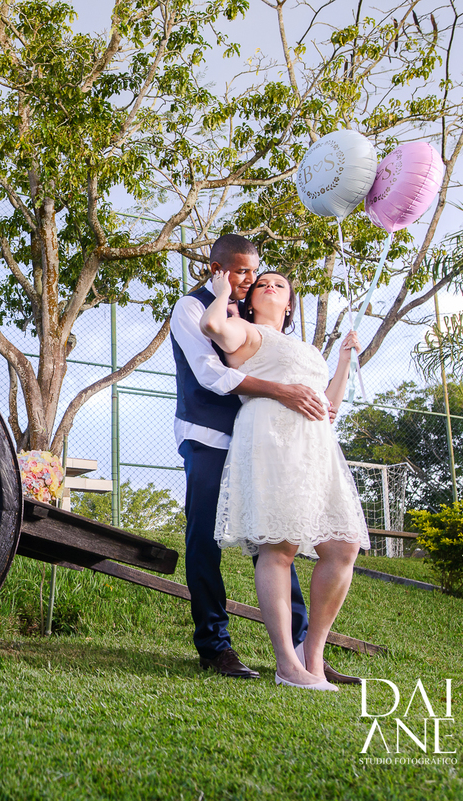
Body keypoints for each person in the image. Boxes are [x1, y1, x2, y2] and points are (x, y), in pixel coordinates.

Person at [170, 234, 336, 681]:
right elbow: (212, 375)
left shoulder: (250, 314)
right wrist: (283, 391)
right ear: (216, 269)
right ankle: (214, 646)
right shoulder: (191, 308)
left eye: (253, 270)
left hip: (259, 443)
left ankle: (301, 650)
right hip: (209, 437)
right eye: (240, 271)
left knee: (278, 537)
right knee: (204, 540)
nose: (249, 279)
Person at [200, 268, 370, 691]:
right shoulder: (245, 329)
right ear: (251, 300)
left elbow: (329, 407)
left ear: (291, 302)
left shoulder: (305, 348)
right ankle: (287, 665)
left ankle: (313, 653)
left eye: (280, 285)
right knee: (280, 546)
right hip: (272, 437)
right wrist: (223, 293)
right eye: (262, 284)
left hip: (316, 446)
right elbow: (211, 325)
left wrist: (344, 361)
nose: (270, 287)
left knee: (343, 544)